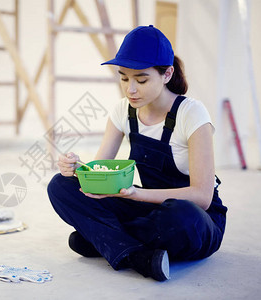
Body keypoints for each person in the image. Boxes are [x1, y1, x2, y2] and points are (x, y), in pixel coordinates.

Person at [47, 25, 227, 282]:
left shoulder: (192, 114)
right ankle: (137, 256)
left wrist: (135, 193)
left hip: (197, 219)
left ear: (167, 74)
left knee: (180, 216)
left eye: (141, 80)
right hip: (147, 209)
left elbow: (202, 197)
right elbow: (100, 173)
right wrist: (77, 168)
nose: (130, 89)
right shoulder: (123, 111)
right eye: (123, 78)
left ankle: (105, 241)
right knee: (59, 186)